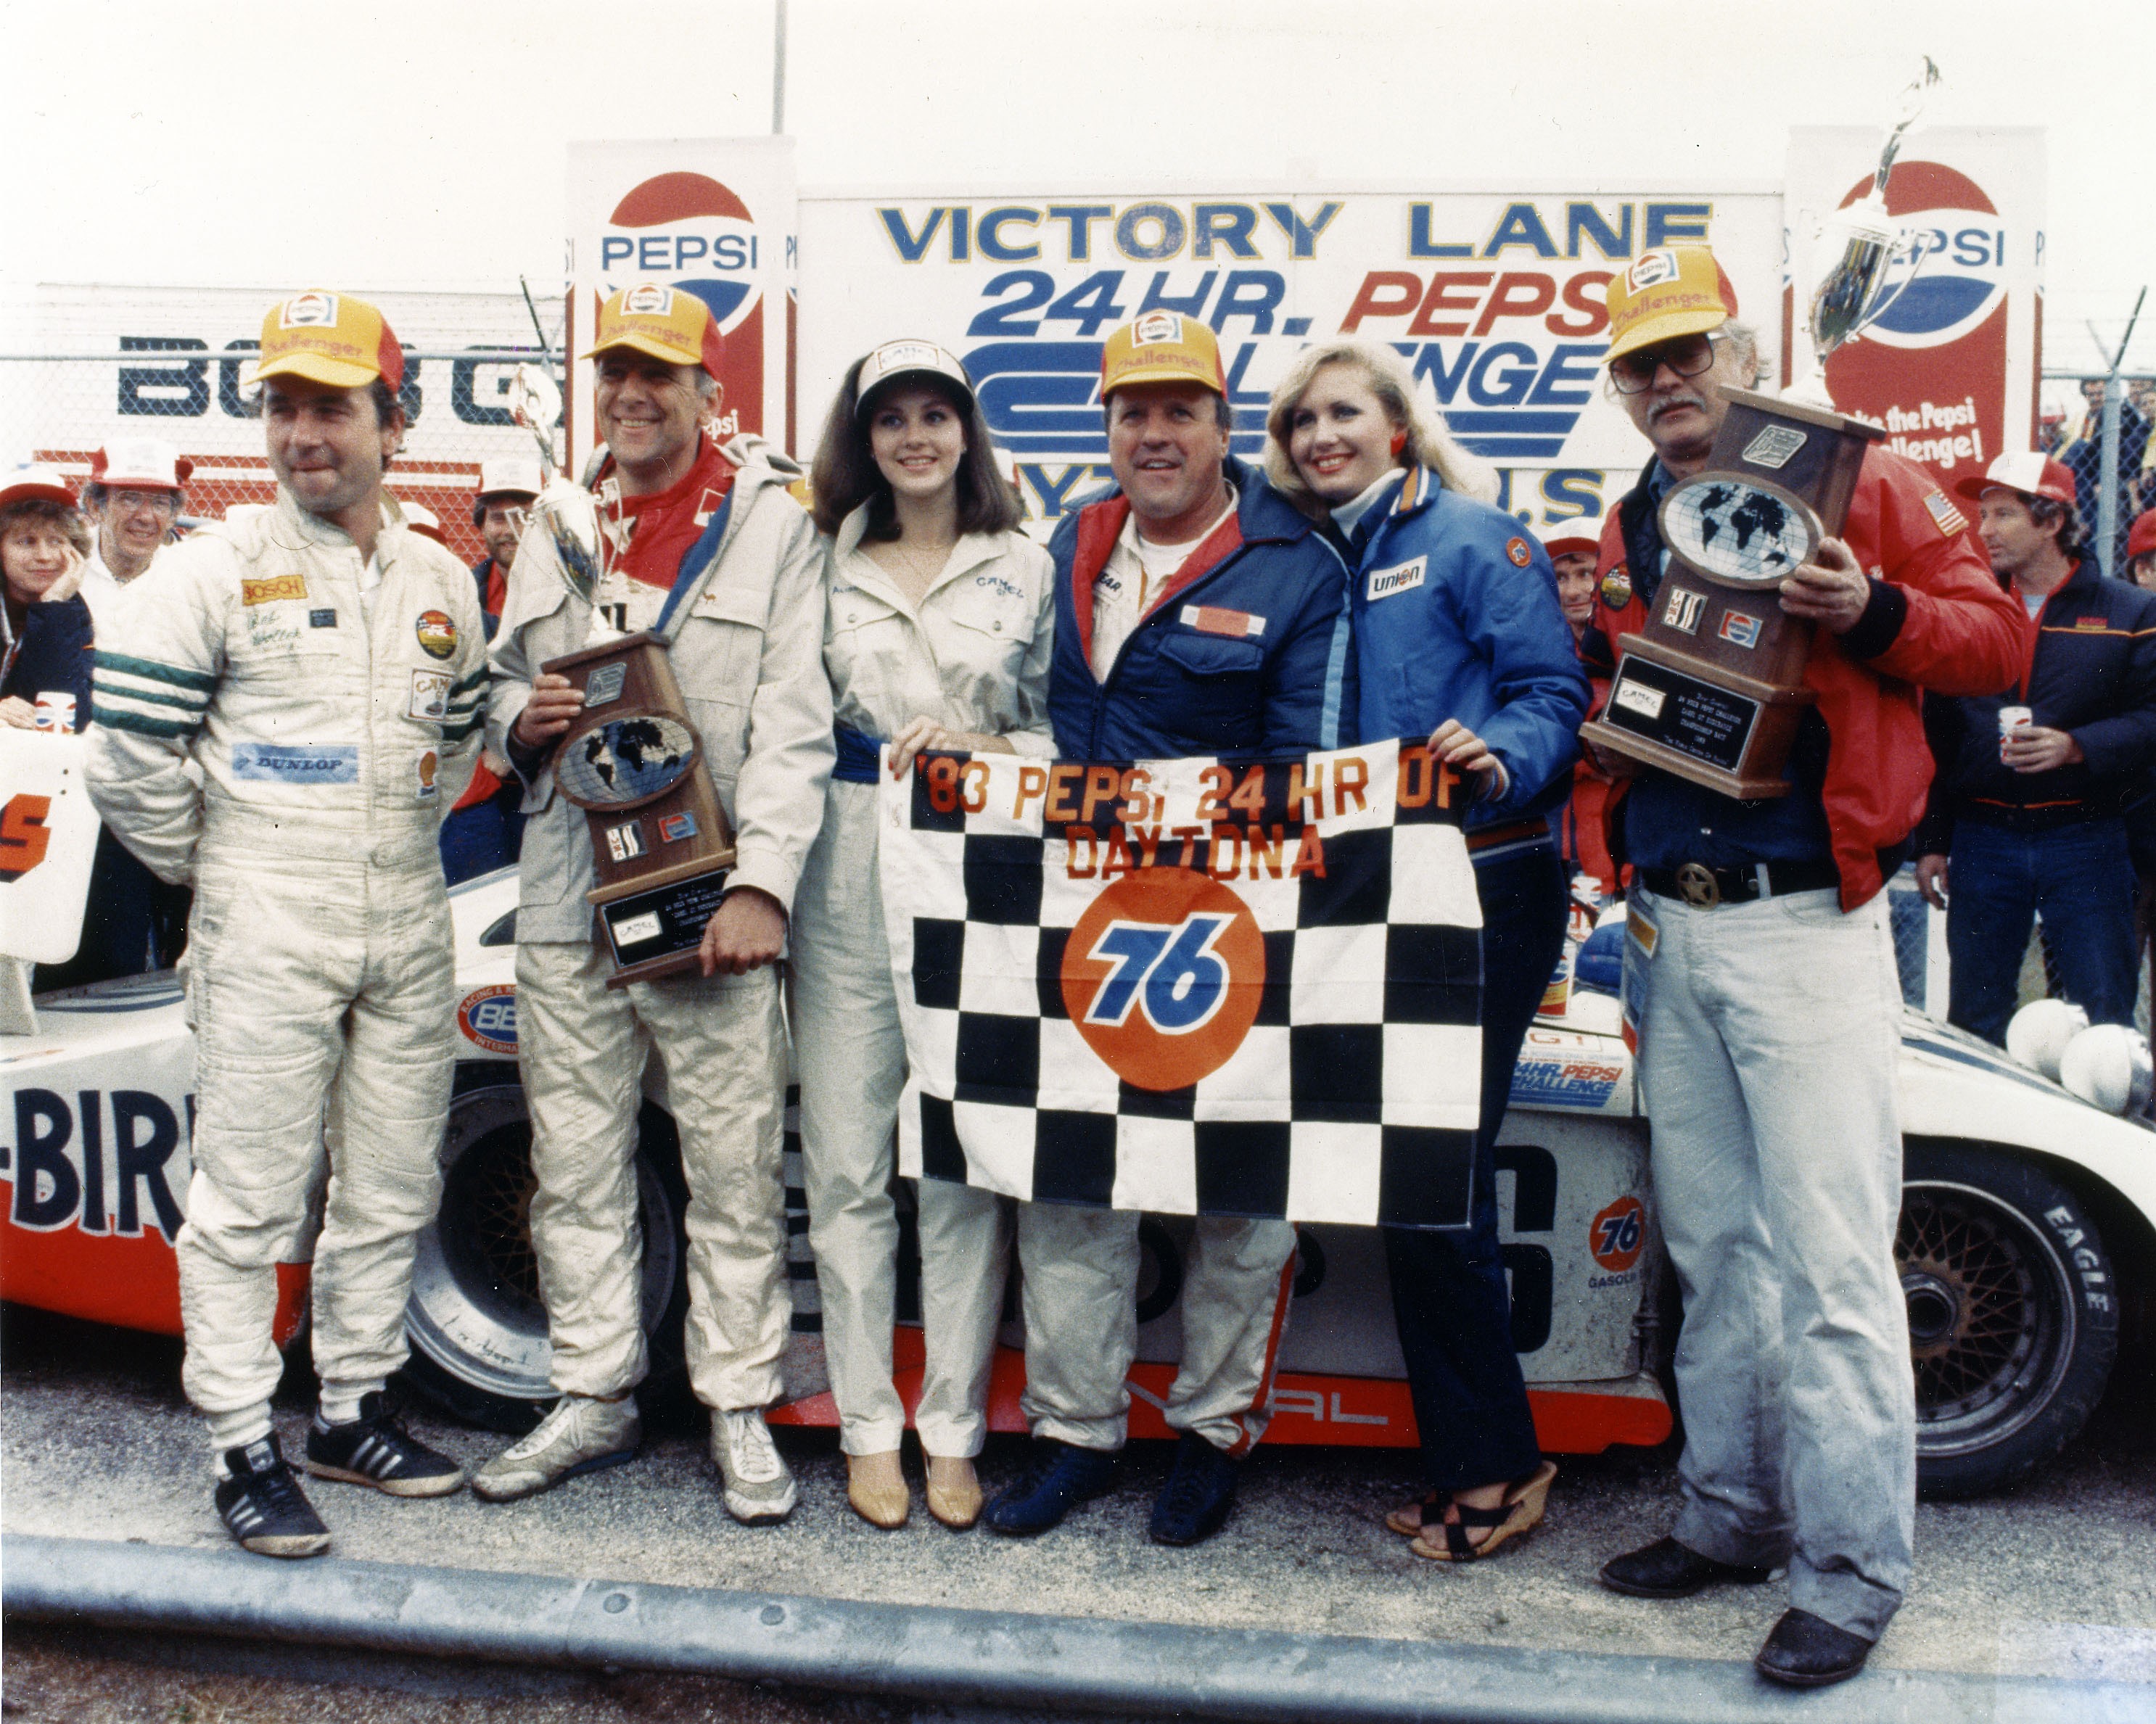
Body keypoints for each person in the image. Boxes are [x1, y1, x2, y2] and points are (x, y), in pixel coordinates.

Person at [1582, 246, 2023, 1688]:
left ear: (1738, 349)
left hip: (1807, 918)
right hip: (1674, 923)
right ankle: (1731, 1513)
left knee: (1834, 1263)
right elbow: (1626, 693)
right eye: (1640, 364)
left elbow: (1996, 637)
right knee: (1716, 1251)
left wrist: (1875, 612)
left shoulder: (1862, 477)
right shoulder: (1634, 509)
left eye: (1686, 353)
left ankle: (1848, 1570)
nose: (1667, 384)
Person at [85, 291, 491, 1558]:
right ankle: (239, 1441)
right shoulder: (213, 565)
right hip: (268, 908)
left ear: (395, 420)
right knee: (249, 1197)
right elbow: (127, 762)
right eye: (282, 406)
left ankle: (353, 1406)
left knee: (388, 1180)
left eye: (332, 405)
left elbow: (464, 736)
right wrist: (222, 870)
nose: (303, 432)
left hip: (406, 908)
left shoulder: (439, 574)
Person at [985, 311, 1351, 1547]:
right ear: (1108, 426)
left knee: (1242, 1194)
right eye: (1131, 411)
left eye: (1177, 409)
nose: (1153, 434)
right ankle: (1073, 1433)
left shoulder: (1292, 560)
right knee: (1071, 1181)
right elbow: (1031, 708)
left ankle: (1209, 1436)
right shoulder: (1072, 538)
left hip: (1235, 919)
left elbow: (1310, 766)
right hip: (1084, 915)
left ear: (1220, 423)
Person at [474, 284, 831, 1526]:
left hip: (705, 901)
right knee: (571, 1161)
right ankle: (592, 1392)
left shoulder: (772, 525)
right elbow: (499, 690)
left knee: (732, 1167)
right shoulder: (558, 520)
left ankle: (737, 1403)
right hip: (570, 892)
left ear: (707, 393)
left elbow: (794, 732)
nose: (633, 394)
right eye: (615, 372)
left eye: (660, 374)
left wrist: (765, 887)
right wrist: (520, 725)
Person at [1267, 338, 1586, 1562]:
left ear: (1398, 425)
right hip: (1360, 887)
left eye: (1343, 411)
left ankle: (1500, 1462)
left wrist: (1499, 751)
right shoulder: (1308, 554)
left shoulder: (1469, 534)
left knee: (1436, 1177)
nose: (1318, 435)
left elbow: (1552, 692)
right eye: (1300, 421)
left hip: (1484, 877)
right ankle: (1472, 1453)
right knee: (1409, 1184)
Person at [796, 339, 1053, 1530]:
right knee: (849, 1163)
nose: (914, 436)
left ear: (966, 432)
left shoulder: (1026, 562)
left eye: (935, 415)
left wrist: (991, 753)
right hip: (845, 863)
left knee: (956, 1157)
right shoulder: (820, 557)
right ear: (865, 437)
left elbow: (1064, 729)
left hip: (980, 864)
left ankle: (952, 1428)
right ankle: (864, 1425)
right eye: (890, 416)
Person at [1912, 453, 2156, 1045]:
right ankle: (1979, 1137)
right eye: (1983, 514)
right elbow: (1939, 736)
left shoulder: (2130, 610)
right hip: (1982, 839)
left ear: (2052, 522)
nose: (1985, 530)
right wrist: (1934, 841)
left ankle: (2102, 1133)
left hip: (2087, 838)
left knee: (2103, 1020)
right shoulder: (1972, 610)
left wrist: (2078, 746)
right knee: (1975, 1018)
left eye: (2004, 514)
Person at [439, 458, 543, 883]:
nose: (512, 528)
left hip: (547, 770)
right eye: (499, 516)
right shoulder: (463, 594)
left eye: (525, 516)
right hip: (484, 780)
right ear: (481, 525)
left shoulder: (578, 587)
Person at [1536, 513, 1618, 896]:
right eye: (1560, 577)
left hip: (1613, 842)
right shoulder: (1535, 656)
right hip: (1551, 840)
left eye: (1586, 573)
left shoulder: (1630, 649)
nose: (1573, 590)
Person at [0, 465, 94, 731]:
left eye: (55, 541)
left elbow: (69, 717)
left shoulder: (70, 609)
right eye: (26, 542)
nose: (44, 556)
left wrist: (52, 607)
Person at [78, 438, 189, 628]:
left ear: (173, 516)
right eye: (130, 499)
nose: (145, 517)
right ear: (96, 507)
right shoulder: (66, 562)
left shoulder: (189, 575)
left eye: (159, 503)